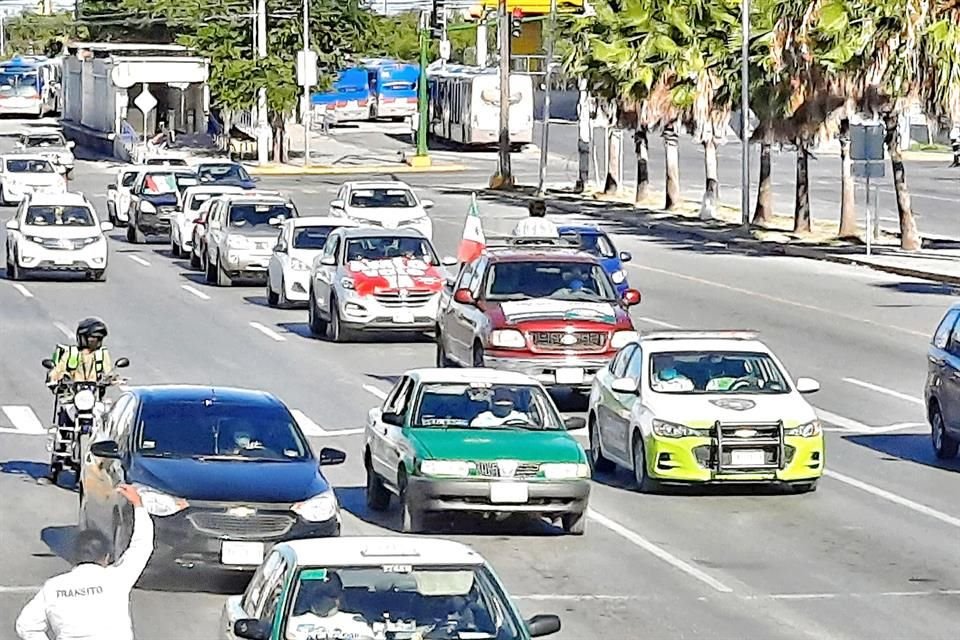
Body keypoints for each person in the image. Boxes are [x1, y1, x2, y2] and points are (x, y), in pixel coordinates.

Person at [15, 484, 154, 640]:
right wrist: (139, 505)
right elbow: (142, 544)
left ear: (75, 557)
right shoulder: (117, 578)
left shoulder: (53, 587)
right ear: (107, 557)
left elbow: (25, 626)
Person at [286, 574, 374, 640]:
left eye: (329, 592)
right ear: (309, 595)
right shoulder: (290, 624)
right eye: (319, 593)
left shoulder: (357, 622)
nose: (325, 598)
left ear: (340, 596)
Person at [48, 318, 114, 387]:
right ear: (83, 338)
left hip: (94, 393)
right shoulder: (72, 353)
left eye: (99, 338)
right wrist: (54, 378)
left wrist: (113, 379)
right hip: (72, 393)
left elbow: (108, 373)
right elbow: (57, 371)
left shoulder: (101, 354)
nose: (96, 341)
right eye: (93, 337)